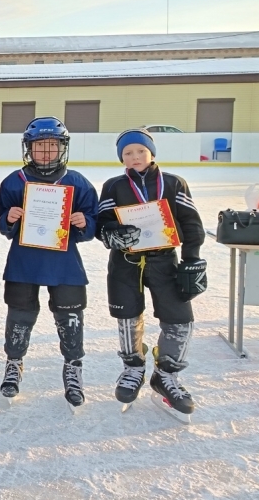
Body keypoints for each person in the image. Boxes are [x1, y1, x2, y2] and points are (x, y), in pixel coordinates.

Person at [95, 128, 206, 420]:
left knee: (179, 319)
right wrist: (112, 234)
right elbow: (102, 224)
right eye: (128, 153)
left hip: (165, 260)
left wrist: (192, 258)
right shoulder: (113, 186)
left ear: (151, 153)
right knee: (128, 317)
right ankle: (133, 368)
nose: (135, 157)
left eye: (140, 151)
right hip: (125, 262)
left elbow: (191, 223)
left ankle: (166, 375)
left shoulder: (173, 183)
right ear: (122, 158)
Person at [0, 117, 99, 407]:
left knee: (70, 314)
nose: (45, 152)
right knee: (19, 312)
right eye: (39, 146)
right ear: (29, 148)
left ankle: (73, 367)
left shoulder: (77, 182)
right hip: (24, 262)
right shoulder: (14, 182)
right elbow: (2, 225)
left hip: (64, 263)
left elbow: (93, 224)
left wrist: (84, 222)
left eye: (51, 146)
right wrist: (9, 218)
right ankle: (14, 363)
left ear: (61, 148)